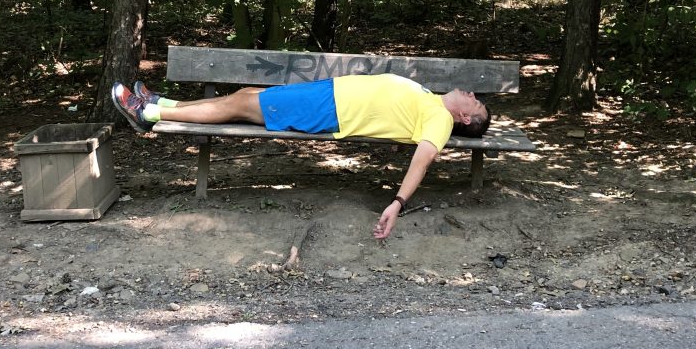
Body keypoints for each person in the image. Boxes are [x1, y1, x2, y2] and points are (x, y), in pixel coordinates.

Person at [111, 74, 490, 240]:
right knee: (246, 96)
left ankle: (149, 113)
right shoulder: (431, 102)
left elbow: (423, 160)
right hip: (329, 95)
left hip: (328, 109)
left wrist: (398, 202)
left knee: (242, 106)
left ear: (464, 118)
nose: (472, 95)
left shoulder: (441, 121)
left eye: (475, 102)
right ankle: (164, 103)